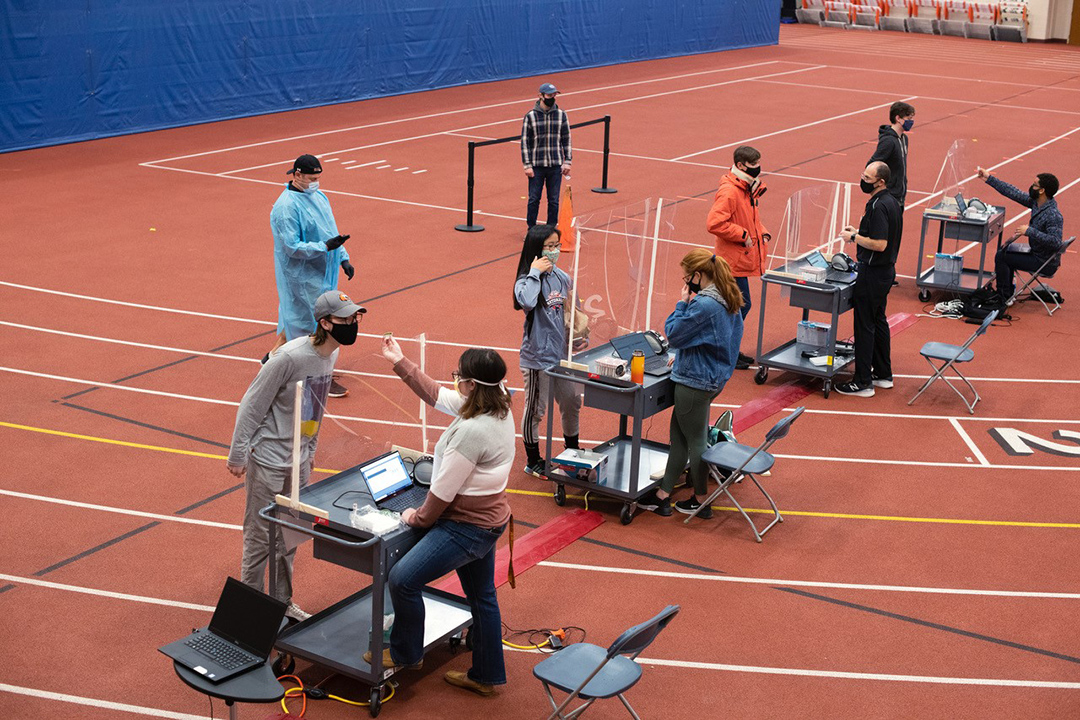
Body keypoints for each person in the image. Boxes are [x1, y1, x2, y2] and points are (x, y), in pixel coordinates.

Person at [373, 338, 514, 697]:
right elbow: (436, 395)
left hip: (465, 527)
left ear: (470, 385)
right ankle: (486, 675)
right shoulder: (498, 406)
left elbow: (441, 494)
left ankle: (407, 653)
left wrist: (415, 518)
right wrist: (400, 361)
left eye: (458, 376)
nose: (454, 382)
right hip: (490, 518)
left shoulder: (471, 431)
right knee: (482, 596)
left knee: (402, 580)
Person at [227, 290, 364, 620]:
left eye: (355, 318)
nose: (353, 324)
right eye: (346, 319)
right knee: (260, 538)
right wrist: (238, 454)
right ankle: (251, 611)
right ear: (326, 323)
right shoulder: (289, 358)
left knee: (289, 537)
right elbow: (251, 404)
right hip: (270, 460)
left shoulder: (330, 355)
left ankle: (282, 602)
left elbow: (314, 405)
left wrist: (311, 449)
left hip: (299, 461)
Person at [637, 250, 744, 518]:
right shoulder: (728, 295)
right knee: (679, 437)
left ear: (699, 275)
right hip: (712, 376)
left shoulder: (703, 304)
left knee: (694, 441)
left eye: (687, 276)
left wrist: (682, 303)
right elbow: (721, 340)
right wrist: (687, 356)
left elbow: (673, 333)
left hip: (694, 382)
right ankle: (663, 494)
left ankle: (701, 499)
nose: (686, 281)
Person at [269, 154, 355, 398]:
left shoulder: (318, 196)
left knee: (300, 322)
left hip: (323, 271)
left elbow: (331, 231)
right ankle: (314, 377)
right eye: (312, 178)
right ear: (297, 175)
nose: (316, 182)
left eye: (318, 178)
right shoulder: (285, 207)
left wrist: (343, 257)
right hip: (301, 275)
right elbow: (291, 247)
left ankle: (272, 360)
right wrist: (325, 248)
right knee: (314, 326)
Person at [513, 225, 583, 477]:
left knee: (572, 401)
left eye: (557, 246)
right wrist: (534, 272)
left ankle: (572, 451)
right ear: (536, 250)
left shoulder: (562, 277)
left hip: (561, 357)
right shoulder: (524, 281)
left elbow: (572, 310)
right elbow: (528, 302)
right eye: (549, 247)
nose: (555, 251)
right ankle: (533, 459)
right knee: (535, 410)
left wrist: (577, 335)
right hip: (536, 359)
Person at [836, 161, 902, 398]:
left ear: (880, 181)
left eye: (867, 177)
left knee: (864, 326)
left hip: (873, 273)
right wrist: (861, 232)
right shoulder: (891, 201)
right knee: (878, 321)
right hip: (885, 272)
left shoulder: (877, 205)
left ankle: (862, 381)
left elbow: (880, 244)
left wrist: (854, 236)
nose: (863, 180)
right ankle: (883, 373)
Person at [707, 145, 769, 370]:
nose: (758, 169)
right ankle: (723, 351)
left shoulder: (746, 188)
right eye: (754, 166)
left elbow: (749, 219)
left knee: (736, 307)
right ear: (741, 166)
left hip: (738, 259)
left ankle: (727, 349)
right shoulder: (731, 191)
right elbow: (714, 223)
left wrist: (760, 231)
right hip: (730, 262)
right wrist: (743, 235)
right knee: (739, 306)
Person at [976, 167, 1064, 303]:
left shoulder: (1053, 215)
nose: (1031, 187)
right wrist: (989, 178)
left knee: (1002, 257)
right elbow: (1013, 192)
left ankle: (1004, 296)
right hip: (1038, 253)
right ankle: (1007, 292)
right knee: (1005, 250)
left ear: (1042, 191)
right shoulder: (1037, 203)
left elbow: (1056, 242)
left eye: (1035, 185)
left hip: (1044, 262)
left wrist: (1029, 231)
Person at [867, 101, 915, 283]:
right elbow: (874, 163)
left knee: (895, 237)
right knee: (885, 236)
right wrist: (878, 185)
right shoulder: (888, 141)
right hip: (891, 196)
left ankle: (889, 271)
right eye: (909, 118)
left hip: (900, 195)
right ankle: (882, 272)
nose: (911, 122)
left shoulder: (904, 139)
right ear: (898, 118)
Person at [521, 82, 572, 228]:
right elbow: (525, 142)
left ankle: (550, 229)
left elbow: (566, 139)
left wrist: (567, 161)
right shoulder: (530, 116)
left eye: (554, 95)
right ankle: (531, 229)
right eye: (549, 95)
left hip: (555, 165)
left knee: (554, 200)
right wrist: (527, 165)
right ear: (540, 96)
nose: (553, 98)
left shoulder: (561, 115)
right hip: (536, 166)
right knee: (534, 199)